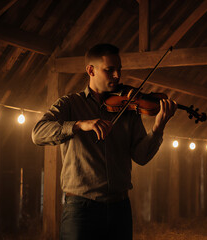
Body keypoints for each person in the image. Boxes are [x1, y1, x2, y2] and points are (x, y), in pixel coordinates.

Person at [32, 43, 177, 240]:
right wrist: (79, 124)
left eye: (119, 69)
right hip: (81, 209)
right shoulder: (70, 104)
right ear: (90, 70)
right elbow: (38, 133)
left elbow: (141, 157)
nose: (117, 76)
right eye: (110, 70)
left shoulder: (128, 108)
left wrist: (158, 127)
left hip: (120, 207)